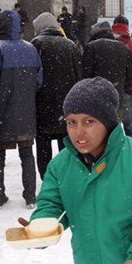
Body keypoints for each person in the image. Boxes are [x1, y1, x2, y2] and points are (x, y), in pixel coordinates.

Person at [29, 77, 132, 264]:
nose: (78, 132)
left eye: (88, 121)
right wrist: (40, 228)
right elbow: (50, 204)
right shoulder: (61, 165)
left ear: (108, 123)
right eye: (71, 122)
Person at [0, 10, 43, 209]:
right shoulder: (31, 49)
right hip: (25, 111)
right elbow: (39, 81)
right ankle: (30, 196)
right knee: (27, 153)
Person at [31, 12, 82, 183]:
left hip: (42, 106)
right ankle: (66, 180)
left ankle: (47, 180)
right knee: (66, 146)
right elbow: (79, 77)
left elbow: (32, 77)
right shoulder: (71, 46)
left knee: (43, 146)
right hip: (67, 107)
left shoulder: (36, 45)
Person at [83, 25, 132, 115]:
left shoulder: (91, 47)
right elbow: (130, 76)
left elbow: (85, 74)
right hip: (117, 97)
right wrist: (121, 87)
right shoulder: (125, 49)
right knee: (115, 126)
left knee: (96, 126)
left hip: (95, 98)